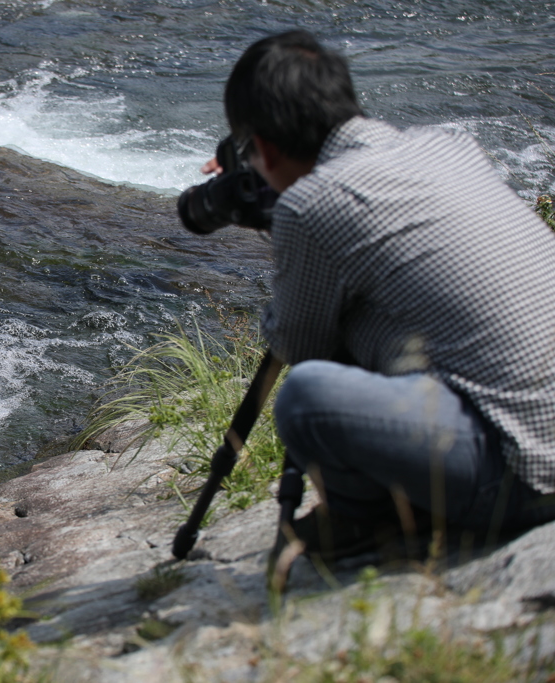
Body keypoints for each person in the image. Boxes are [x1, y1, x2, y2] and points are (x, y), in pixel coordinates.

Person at [207, 30, 555, 561]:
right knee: (376, 321)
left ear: (266, 149)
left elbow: (297, 343)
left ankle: (372, 519)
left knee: (307, 394)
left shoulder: (309, 203)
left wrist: (274, 217)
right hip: (532, 427)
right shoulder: (449, 144)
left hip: (526, 475)